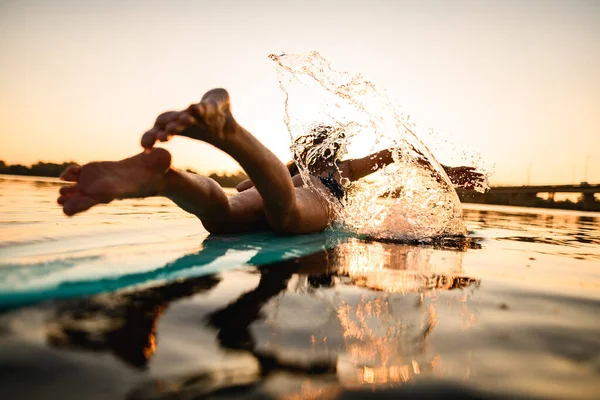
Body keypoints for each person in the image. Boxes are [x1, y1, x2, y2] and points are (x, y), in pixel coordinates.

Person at [58, 88, 483, 235]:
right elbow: (392, 154)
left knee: (221, 214)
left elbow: (245, 189)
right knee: (289, 216)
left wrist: (279, 177)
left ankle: (168, 180)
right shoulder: (338, 171)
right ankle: (232, 134)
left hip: (269, 186)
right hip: (315, 200)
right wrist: (445, 173)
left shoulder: (290, 167)